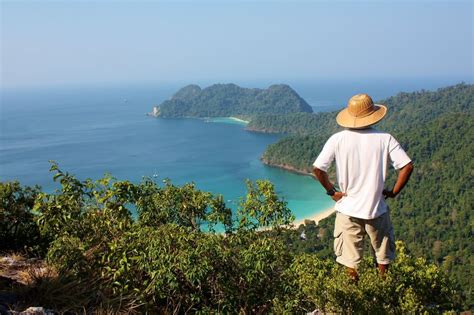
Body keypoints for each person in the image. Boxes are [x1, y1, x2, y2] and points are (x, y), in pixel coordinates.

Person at [312, 93, 413, 279]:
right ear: (372, 114)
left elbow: (318, 169)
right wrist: (393, 192)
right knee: (383, 257)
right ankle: (382, 291)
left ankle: (354, 296)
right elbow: (407, 166)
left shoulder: (338, 139)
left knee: (350, 261)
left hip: (348, 210)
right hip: (377, 209)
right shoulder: (385, 139)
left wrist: (332, 192)